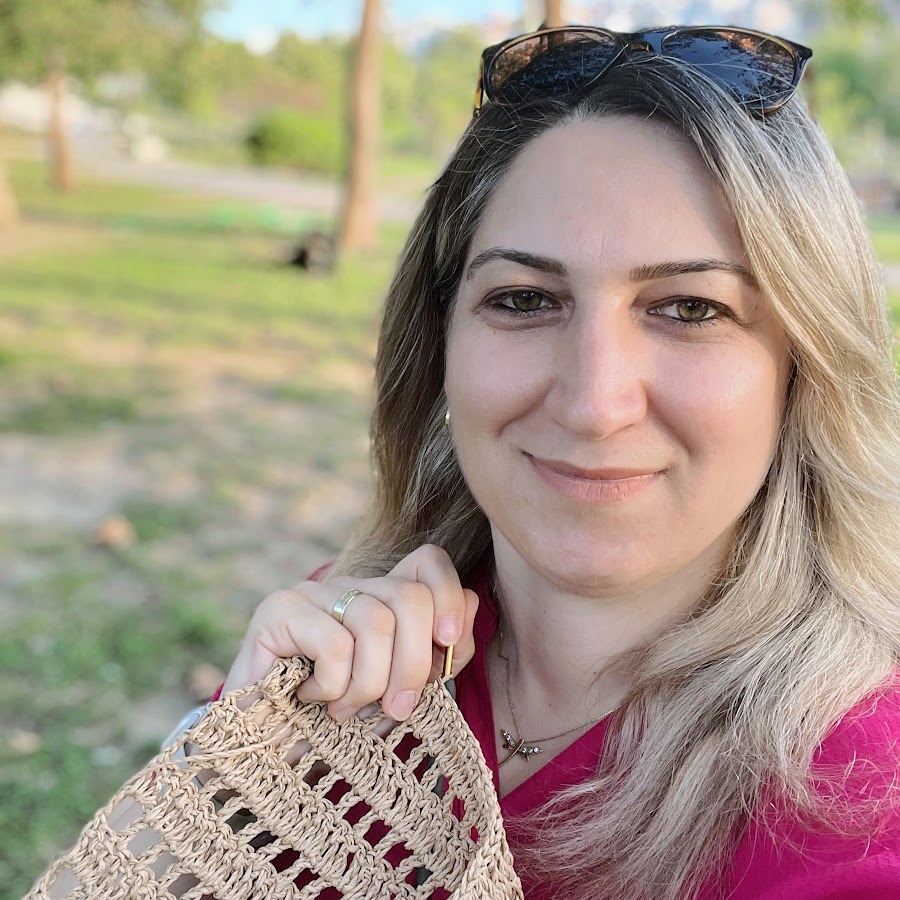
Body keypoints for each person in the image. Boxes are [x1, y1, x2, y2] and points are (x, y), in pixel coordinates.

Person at [198, 24, 900, 900]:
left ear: (805, 365)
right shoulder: (347, 638)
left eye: (690, 308)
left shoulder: (859, 809)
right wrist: (226, 772)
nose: (593, 403)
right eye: (525, 299)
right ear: (440, 342)